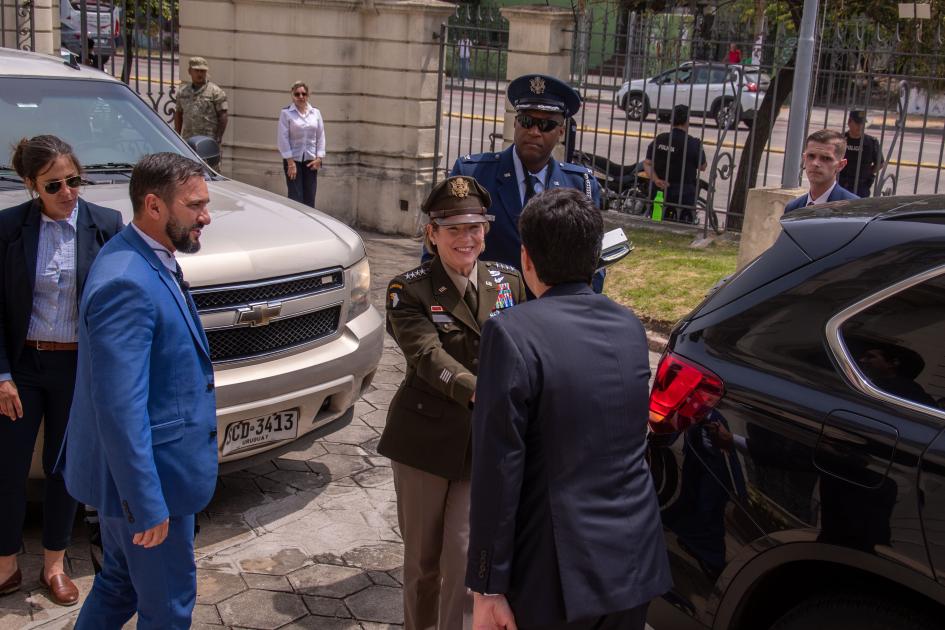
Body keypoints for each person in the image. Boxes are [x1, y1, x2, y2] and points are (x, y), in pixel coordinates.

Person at [466, 188, 671, 630]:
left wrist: (487, 586)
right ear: (596, 256)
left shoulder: (511, 333)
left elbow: (498, 469)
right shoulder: (628, 326)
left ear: (527, 259)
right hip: (632, 556)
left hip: (555, 569)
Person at [60, 153, 216, 629]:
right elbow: (119, 407)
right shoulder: (126, 280)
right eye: (195, 206)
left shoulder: (144, 254)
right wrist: (146, 504)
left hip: (135, 479)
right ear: (153, 205)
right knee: (167, 607)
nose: (206, 216)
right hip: (151, 484)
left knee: (119, 584)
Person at [379, 175, 526, 630]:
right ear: (432, 233)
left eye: (475, 227)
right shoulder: (410, 289)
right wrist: (477, 388)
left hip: (480, 445)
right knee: (423, 564)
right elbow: (426, 354)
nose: (467, 239)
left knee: (464, 562)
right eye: (454, 229)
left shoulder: (509, 282)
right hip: (424, 442)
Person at [0, 135, 123, 605]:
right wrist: (2, 375)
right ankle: (7, 564)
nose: (69, 192)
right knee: (8, 469)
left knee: (62, 469)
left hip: (77, 367)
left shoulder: (106, 225)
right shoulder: (10, 228)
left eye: (74, 180)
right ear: (31, 184)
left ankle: (54, 564)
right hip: (24, 366)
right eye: (54, 186)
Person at [450, 73, 604, 292]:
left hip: (552, 316)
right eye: (527, 121)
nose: (534, 132)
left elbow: (593, 264)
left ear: (560, 131)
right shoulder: (473, 175)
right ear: (515, 123)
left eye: (546, 125)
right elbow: (441, 246)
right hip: (484, 313)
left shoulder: (580, 185)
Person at [644, 104, 707, 225]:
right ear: (687, 121)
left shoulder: (660, 139)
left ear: (672, 120)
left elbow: (647, 163)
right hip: (684, 197)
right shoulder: (693, 144)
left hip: (660, 194)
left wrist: (656, 180)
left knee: (657, 222)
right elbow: (702, 167)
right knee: (683, 224)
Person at [783, 129, 859, 213]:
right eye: (811, 156)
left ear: (841, 165)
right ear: (804, 158)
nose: (815, 163)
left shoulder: (853, 209)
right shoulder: (793, 208)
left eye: (826, 158)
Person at [277, 80, 326, 208]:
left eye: (303, 94)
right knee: (295, 198)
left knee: (310, 199)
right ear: (292, 95)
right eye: (297, 94)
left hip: (311, 161)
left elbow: (321, 136)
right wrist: (290, 163)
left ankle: (308, 226)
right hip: (293, 161)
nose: (300, 97)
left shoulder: (316, 113)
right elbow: (283, 139)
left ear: (308, 95)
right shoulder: (286, 113)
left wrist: (319, 158)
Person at [174, 57, 228, 144]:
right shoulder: (182, 92)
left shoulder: (216, 92)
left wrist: (218, 137)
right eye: (196, 70)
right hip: (188, 140)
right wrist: (177, 135)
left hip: (208, 141)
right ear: (189, 71)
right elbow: (178, 113)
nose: (200, 74)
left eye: (202, 71)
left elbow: (223, 115)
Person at [838, 109, 884, 198]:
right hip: (842, 182)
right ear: (849, 122)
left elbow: (880, 163)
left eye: (862, 123)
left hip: (861, 185)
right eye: (857, 123)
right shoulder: (840, 139)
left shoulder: (871, 142)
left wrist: (867, 173)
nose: (860, 126)